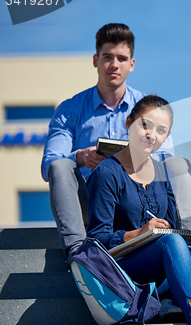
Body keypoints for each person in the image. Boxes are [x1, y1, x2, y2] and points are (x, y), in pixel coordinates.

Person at [86, 95, 191, 325]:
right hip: (124, 270)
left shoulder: (163, 173)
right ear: (128, 123)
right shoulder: (106, 173)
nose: (151, 135)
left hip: (163, 264)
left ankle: (170, 298)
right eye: (145, 124)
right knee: (172, 242)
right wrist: (140, 233)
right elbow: (97, 240)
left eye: (161, 130)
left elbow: (173, 228)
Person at [41, 23, 154, 260]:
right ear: (95, 60)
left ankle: (189, 244)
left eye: (122, 58)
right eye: (107, 57)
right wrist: (81, 157)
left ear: (132, 64)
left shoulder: (149, 108)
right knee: (61, 166)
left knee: (177, 163)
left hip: (133, 203)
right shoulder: (69, 109)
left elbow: (167, 159)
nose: (114, 65)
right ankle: (78, 252)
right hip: (89, 203)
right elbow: (48, 165)